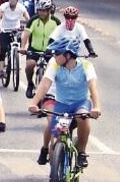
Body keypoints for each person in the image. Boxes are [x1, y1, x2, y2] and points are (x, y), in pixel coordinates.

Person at [28, 37, 102, 168]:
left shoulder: (86, 66)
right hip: (61, 104)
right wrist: (34, 103)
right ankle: (53, 164)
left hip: (81, 102)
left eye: (57, 53)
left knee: (83, 117)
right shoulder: (54, 64)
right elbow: (45, 84)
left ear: (68, 55)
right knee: (55, 131)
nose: (54, 55)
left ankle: (82, 153)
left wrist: (96, 107)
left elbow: (93, 87)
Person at [20, 0, 61, 98]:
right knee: (30, 65)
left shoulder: (56, 22)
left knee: (56, 70)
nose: (41, 13)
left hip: (50, 50)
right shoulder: (33, 20)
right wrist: (23, 47)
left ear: (49, 11)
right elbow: (26, 34)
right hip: (34, 49)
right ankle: (30, 84)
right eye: (39, 10)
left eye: (43, 11)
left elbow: (61, 36)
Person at [0, 0, 29, 78]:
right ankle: (1, 70)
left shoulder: (21, 7)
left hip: (15, 29)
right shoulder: (3, 6)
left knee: (20, 42)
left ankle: (15, 58)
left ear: (17, 0)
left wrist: (26, 27)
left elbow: (28, 19)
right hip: (4, 29)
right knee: (3, 48)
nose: (12, 1)